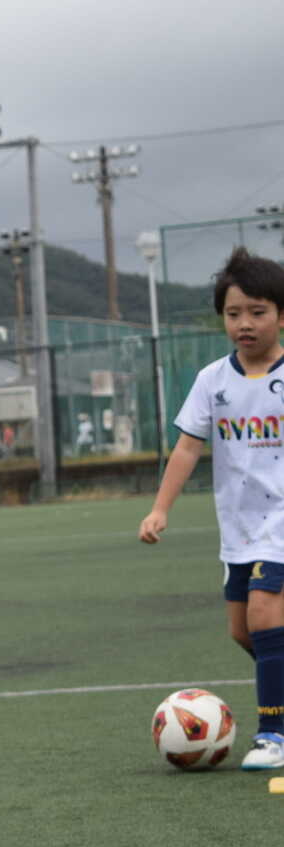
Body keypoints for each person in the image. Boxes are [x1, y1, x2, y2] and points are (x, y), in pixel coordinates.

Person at [140, 247, 284, 768]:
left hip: (281, 523)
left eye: (257, 312)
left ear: (281, 316)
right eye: (233, 313)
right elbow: (186, 448)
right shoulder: (212, 380)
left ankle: (274, 734)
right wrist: (160, 509)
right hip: (238, 526)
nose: (244, 323)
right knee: (242, 631)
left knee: (266, 614)